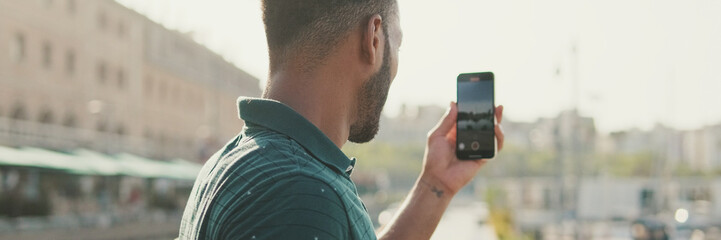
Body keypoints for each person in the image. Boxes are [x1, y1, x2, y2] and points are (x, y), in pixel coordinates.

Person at [178, 0, 505, 239]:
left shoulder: (228, 164)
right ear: (374, 39)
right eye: (398, 44)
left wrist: (435, 185)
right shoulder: (303, 192)